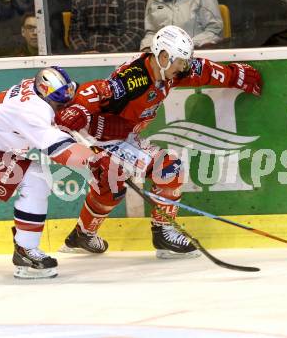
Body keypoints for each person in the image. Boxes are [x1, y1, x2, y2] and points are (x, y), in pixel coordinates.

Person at [55, 25, 262, 258]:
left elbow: (201, 70)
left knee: (116, 186)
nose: (183, 67)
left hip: (122, 137)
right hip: (98, 137)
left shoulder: (170, 70)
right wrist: (78, 109)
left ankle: (83, 235)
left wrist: (235, 75)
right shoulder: (133, 79)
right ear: (164, 56)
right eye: (180, 62)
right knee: (165, 170)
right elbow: (98, 90)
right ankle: (161, 234)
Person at [0, 66, 94, 279]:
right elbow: (59, 150)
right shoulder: (32, 111)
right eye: (59, 105)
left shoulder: (37, 87)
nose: (63, 107)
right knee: (36, 178)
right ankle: (26, 253)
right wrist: (96, 160)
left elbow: (69, 94)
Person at [140, 0, 223, 51]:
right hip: (163, 59)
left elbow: (215, 30)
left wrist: (186, 44)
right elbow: (151, 31)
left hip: (196, 55)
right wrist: (147, 47)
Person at [69, 0, 146, 53]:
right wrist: (83, 52)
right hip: (85, 57)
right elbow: (75, 33)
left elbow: (135, 33)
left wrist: (105, 54)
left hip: (121, 58)